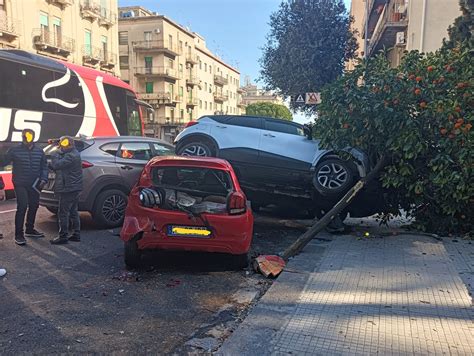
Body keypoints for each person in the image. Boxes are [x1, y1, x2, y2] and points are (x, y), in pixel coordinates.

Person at [2, 129, 47, 245]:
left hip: (35, 184)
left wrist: (44, 179)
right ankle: (19, 234)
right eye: (24, 136)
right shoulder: (14, 150)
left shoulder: (39, 151)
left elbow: (44, 167)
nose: (26, 138)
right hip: (20, 183)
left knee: (34, 205)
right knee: (22, 206)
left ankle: (30, 229)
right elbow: (3, 162)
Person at [49, 136, 83, 245]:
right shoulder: (73, 153)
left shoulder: (71, 156)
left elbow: (56, 165)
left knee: (63, 213)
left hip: (68, 188)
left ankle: (63, 236)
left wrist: (54, 152)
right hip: (74, 188)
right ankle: (76, 234)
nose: (60, 146)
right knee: (73, 211)